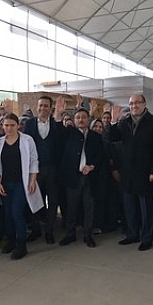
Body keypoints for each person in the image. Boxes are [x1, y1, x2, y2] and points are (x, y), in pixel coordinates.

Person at [109, 93, 153, 251]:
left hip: (146, 173)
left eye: (137, 103)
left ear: (144, 104)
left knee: (146, 208)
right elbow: (113, 139)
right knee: (130, 206)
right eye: (131, 103)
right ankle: (132, 234)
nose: (134, 106)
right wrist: (114, 121)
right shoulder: (124, 122)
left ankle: (147, 238)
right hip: (128, 172)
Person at [0, 113, 44, 260]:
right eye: (6, 125)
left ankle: (21, 244)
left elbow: (34, 160)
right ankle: (11, 240)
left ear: (18, 126)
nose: (9, 128)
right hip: (5, 183)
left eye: (12, 125)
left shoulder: (27, 140)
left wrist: (32, 180)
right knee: (8, 214)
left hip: (21, 183)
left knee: (17, 213)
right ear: (2, 126)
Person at [56, 104, 104, 248]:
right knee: (71, 207)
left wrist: (91, 166)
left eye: (83, 117)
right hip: (73, 176)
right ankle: (70, 234)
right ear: (74, 120)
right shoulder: (69, 133)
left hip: (89, 177)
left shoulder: (95, 137)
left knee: (89, 206)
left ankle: (88, 235)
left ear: (89, 119)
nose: (81, 120)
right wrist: (58, 114)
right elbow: (57, 132)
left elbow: (101, 156)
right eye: (77, 117)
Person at [23, 95, 64, 244]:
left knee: (53, 201)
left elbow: (61, 142)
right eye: (40, 105)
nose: (43, 108)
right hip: (35, 171)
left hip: (52, 170)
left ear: (51, 108)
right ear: (37, 107)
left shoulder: (56, 124)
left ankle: (49, 231)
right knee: (34, 199)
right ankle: (35, 230)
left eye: (46, 106)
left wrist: (58, 118)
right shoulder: (29, 124)